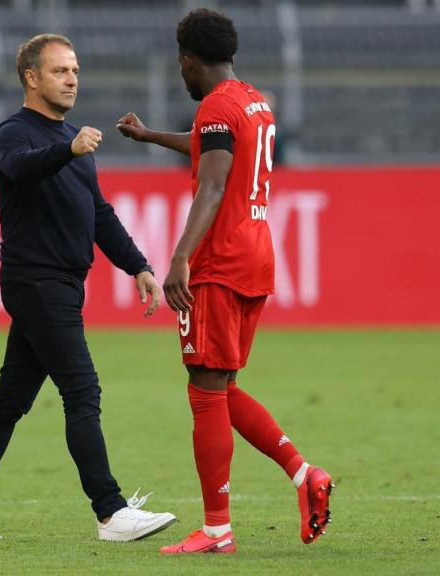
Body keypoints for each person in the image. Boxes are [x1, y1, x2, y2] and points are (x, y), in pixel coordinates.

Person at [0, 33, 176, 542]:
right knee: (82, 391)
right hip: (35, 280)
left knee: (10, 399)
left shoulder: (75, 141)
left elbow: (99, 215)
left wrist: (138, 266)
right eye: (60, 71)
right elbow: (20, 168)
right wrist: (68, 148)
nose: (71, 79)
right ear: (31, 78)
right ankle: (111, 512)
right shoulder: (14, 133)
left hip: (62, 281)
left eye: (75, 71)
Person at [117, 9, 333, 554]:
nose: (181, 75)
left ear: (189, 59)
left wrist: (180, 258)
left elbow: (212, 185)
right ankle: (303, 473)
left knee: (204, 391)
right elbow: (211, 145)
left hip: (217, 262)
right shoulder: (252, 101)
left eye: (180, 64)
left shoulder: (215, 107)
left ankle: (216, 530)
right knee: (221, 386)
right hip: (256, 257)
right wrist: (149, 136)